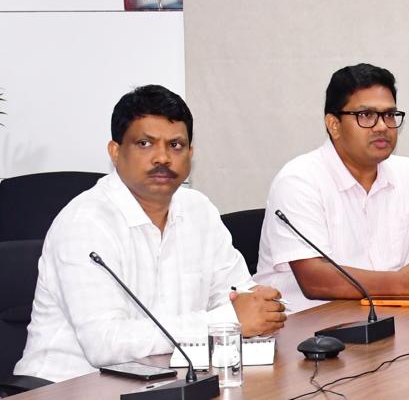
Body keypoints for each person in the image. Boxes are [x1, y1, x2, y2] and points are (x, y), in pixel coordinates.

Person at [14, 86, 286, 383]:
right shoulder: (85, 223)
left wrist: (260, 306)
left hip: (165, 381)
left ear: (191, 154)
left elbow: (238, 295)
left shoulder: (198, 210)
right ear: (115, 152)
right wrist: (226, 320)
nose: (163, 157)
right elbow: (105, 344)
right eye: (145, 143)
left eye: (176, 145)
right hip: (67, 387)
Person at [254, 63, 409, 312]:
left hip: (390, 320)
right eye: (366, 115)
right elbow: (314, 280)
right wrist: (404, 282)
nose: (382, 126)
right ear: (334, 124)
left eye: (389, 115)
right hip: (308, 327)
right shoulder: (299, 180)